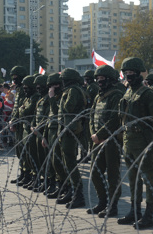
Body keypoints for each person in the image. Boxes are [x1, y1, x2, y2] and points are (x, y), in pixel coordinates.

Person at [118, 57, 153, 229]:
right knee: (133, 179)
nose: (129, 76)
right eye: (126, 73)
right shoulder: (128, 92)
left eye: (131, 73)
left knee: (148, 178)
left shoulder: (147, 93)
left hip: (143, 142)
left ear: (138, 73)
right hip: (129, 141)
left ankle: (149, 215)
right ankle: (134, 210)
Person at [86, 65, 124, 218]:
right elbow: (91, 117)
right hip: (97, 140)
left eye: (102, 79)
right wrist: (93, 134)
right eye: (98, 79)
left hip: (111, 140)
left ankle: (112, 205)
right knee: (95, 172)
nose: (99, 81)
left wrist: (100, 134)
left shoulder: (116, 95)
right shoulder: (98, 96)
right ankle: (102, 201)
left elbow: (114, 118)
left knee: (112, 175)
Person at [56, 68, 87, 209]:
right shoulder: (71, 90)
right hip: (66, 129)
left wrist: (57, 98)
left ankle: (78, 194)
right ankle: (71, 190)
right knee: (66, 162)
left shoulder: (73, 91)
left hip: (70, 130)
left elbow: (68, 108)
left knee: (70, 162)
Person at [42, 73, 67, 198]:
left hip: (59, 131)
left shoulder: (61, 97)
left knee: (58, 161)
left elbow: (58, 113)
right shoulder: (52, 97)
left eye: (56, 85)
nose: (52, 88)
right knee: (53, 161)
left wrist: (52, 98)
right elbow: (49, 117)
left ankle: (64, 186)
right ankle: (59, 185)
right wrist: (44, 135)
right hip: (51, 131)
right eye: (51, 85)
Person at [30, 75, 53, 193]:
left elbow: (47, 117)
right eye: (36, 86)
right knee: (40, 159)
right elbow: (36, 116)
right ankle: (44, 180)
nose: (38, 88)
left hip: (44, 133)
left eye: (40, 86)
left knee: (47, 159)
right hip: (37, 133)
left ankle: (50, 182)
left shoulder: (49, 100)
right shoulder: (40, 100)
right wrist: (33, 126)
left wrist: (39, 130)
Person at [19, 75, 40, 189]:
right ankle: (30, 176)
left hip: (31, 129)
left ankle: (36, 178)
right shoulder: (28, 98)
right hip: (26, 129)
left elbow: (26, 111)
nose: (25, 89)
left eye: (27, 87)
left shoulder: (35, 97)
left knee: (33, 156)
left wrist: (22, 109)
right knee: (27, 156)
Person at [9, 66, 28, 185]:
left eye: (16, 77)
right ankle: (23, 172)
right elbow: (16, 107)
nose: (14, 79)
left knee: (24, 150)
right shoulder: (19, 89)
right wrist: (13, 119)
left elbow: (22, 106)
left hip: (23, 122)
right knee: (19, 150)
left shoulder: (26, 89)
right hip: (18, 122)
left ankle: (27, 173)